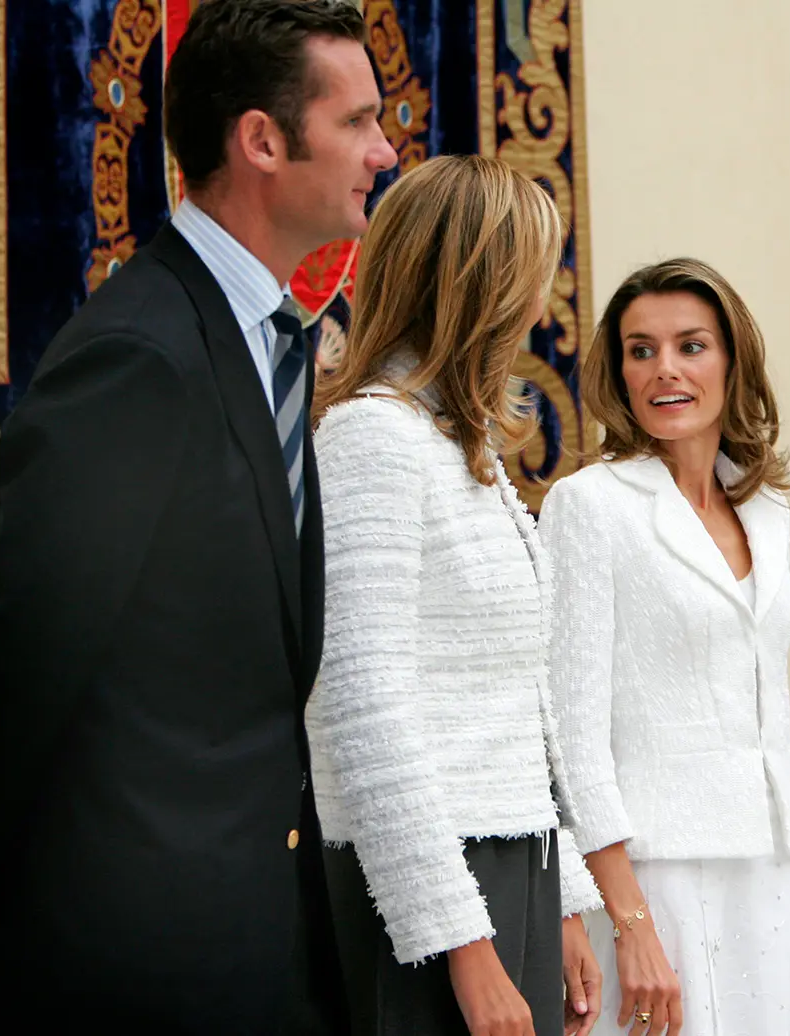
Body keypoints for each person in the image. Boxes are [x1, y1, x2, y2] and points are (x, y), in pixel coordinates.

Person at [0, 1, 398, 1030]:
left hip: (259, 941)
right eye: (357, 123)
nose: (385, 152)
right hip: (136, 957)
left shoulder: (266, 338)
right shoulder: (139, 355)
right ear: (261, 140)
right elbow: (23, 655)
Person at [307, 154, 604, 1036]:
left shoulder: (455, 443)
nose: (540, 305)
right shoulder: (373, 436)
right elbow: (362, 706)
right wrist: (461, 945)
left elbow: (516, 703)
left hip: (515, 869)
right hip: (423, 889)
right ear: (478, 285)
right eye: (529, 278)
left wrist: (565, 899)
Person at [538, 258, 790, 1036]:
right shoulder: (590, 507)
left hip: (771, 878)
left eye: (690, 345)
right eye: (640, 350)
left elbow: (766, 719)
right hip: (662, 879)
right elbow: (573, 738)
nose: (664, 370)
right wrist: (631, 923)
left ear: (732, 359)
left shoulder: (767, 505)